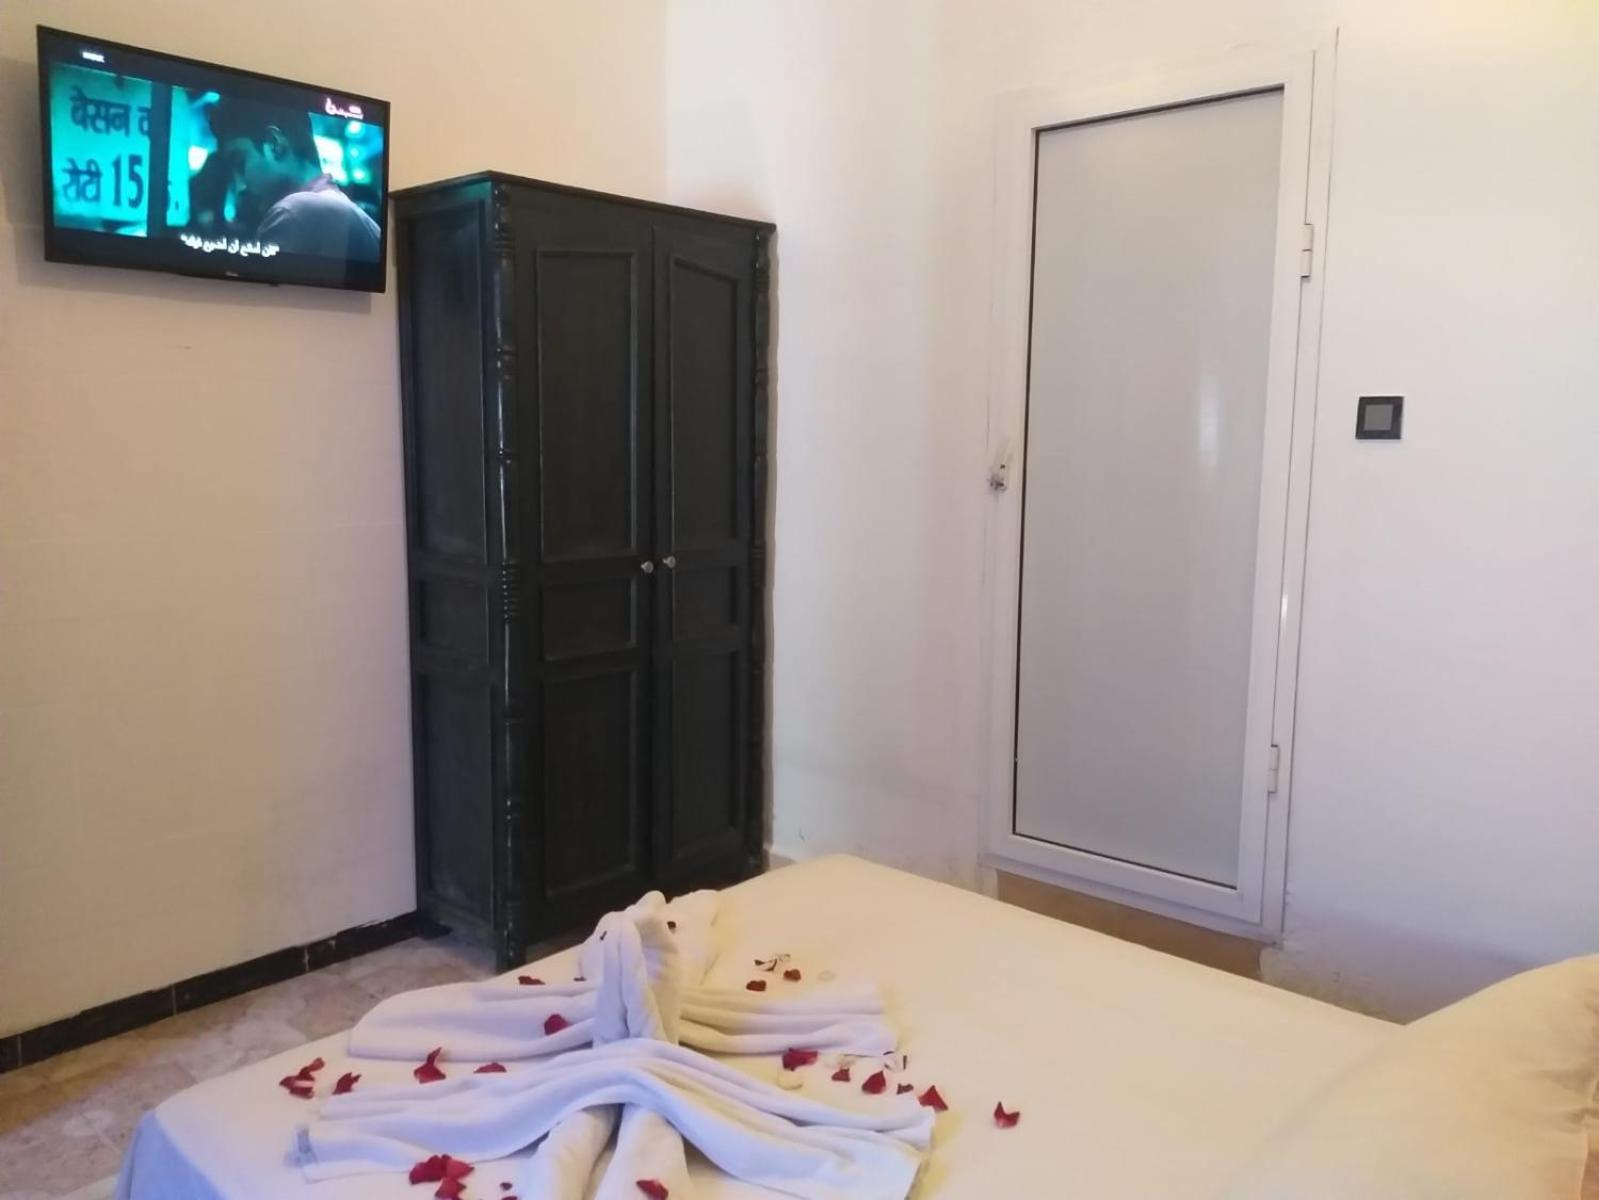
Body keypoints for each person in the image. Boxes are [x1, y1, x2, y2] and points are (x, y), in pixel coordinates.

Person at [205, 96, 380, 260]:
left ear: (274, 144)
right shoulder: (361, 219)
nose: (239, 187)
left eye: (240, 163)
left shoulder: (294, 212)